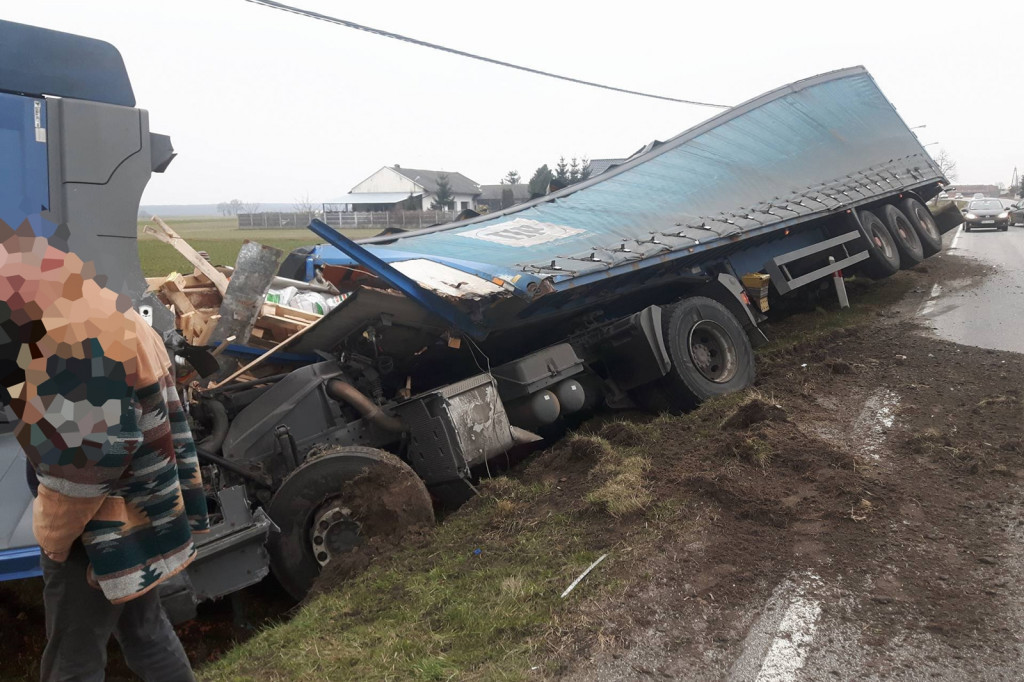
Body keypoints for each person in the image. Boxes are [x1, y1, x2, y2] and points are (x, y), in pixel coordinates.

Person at [0, 220, 209, 681]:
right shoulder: (102, 309)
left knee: (71, 660)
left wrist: (54, 534)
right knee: (146, 632)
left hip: (95, 527)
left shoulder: (74, 335)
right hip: (137, 510)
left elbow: (91, 459)